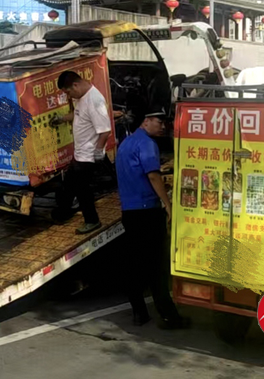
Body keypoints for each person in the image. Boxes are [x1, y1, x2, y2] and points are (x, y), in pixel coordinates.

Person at [116, 106, 190, 329]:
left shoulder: (125, 144)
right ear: (145, 121)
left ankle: (139, 312)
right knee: (157, 266)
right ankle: (169, 317)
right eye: (159, 121)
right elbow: (153, 176)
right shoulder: (147, 144)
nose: (163, 126)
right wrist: (168, 204)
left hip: (129, 211)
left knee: (135, 264)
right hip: (147, 210)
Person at [50, 71, 112, 235]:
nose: (68, 96)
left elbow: (105, 131)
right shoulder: (81, 97)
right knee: (70, 183)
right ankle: (63, 213)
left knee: (82, 189)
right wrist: (62, 119)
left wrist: (98, 151)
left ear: (75, 85)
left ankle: (92, 221)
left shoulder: (94, 101)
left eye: (68, 92)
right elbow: (78, 114)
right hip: (80, 153)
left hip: (88, 155)